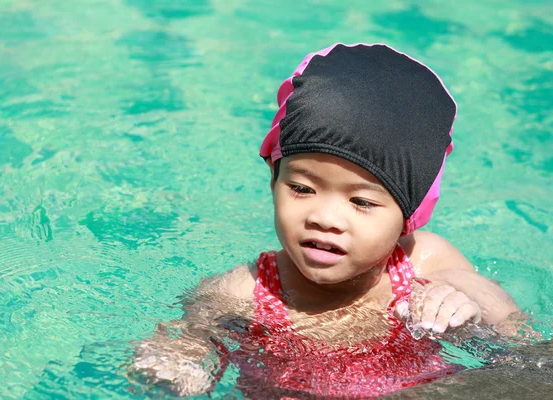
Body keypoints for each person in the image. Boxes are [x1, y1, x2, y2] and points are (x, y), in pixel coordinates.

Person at [127, 43, 525, 398]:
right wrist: (176, 357)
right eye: (302, 189)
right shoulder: (245, 291)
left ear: (409, 216)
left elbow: (516, 333)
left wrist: (465, 306)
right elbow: (189, 336)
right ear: (273, 179)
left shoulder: (425, 261)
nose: (324, 218)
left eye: (361, 201)